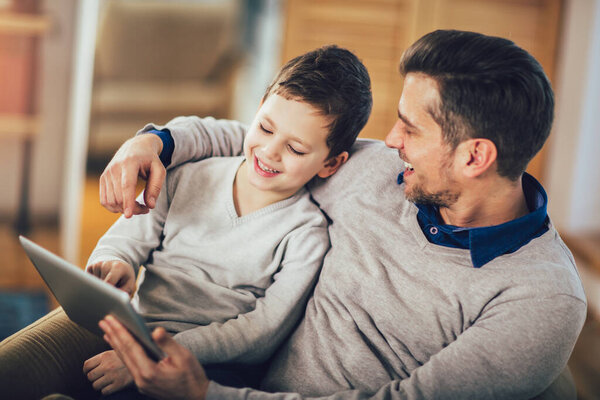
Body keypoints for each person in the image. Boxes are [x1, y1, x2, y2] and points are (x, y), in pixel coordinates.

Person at [99, 30, 586, 399]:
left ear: (475, 158)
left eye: (410, 129)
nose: (391, 140)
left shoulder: (539, 300)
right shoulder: (386, 174)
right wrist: (152, 143)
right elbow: (259, 145)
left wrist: (205, 394)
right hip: (236, 377)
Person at [0, 45, 372, 400]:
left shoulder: (306, 234)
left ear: (330, 163)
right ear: (257, 110)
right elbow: (129, 236)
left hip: (211, 364)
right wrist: (118, 263)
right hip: (135, 327)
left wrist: (153, 355)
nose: (269, 151)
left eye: (295, 149)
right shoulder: (187, 175)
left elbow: (261, 332)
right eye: (266, 128)